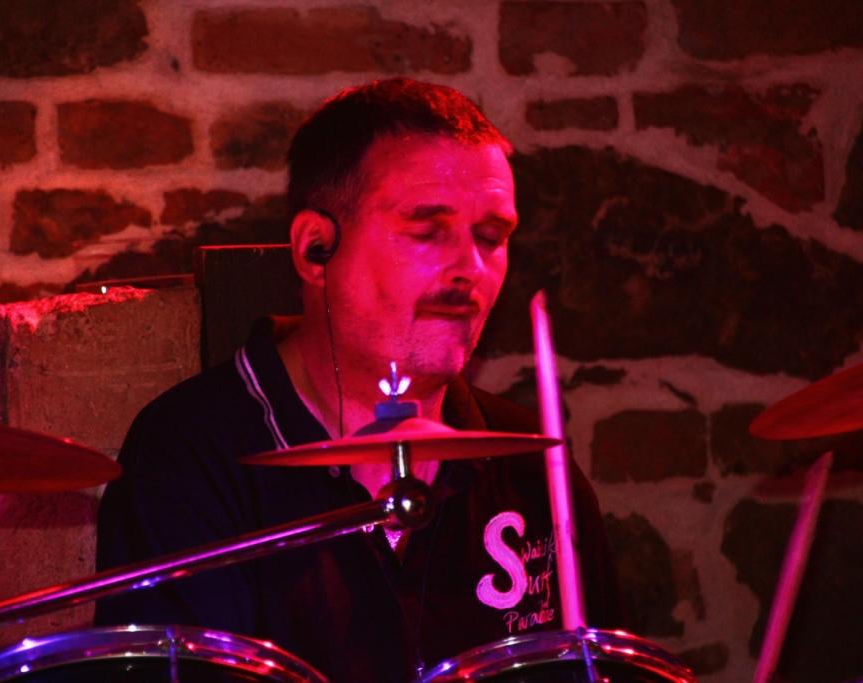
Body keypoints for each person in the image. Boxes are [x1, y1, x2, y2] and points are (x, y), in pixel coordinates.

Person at [94, 78, 621, 682]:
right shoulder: (190, 453)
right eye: (427, 230)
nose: (470, 269)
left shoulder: (530, 463)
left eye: (491, 237)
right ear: (315, 249)